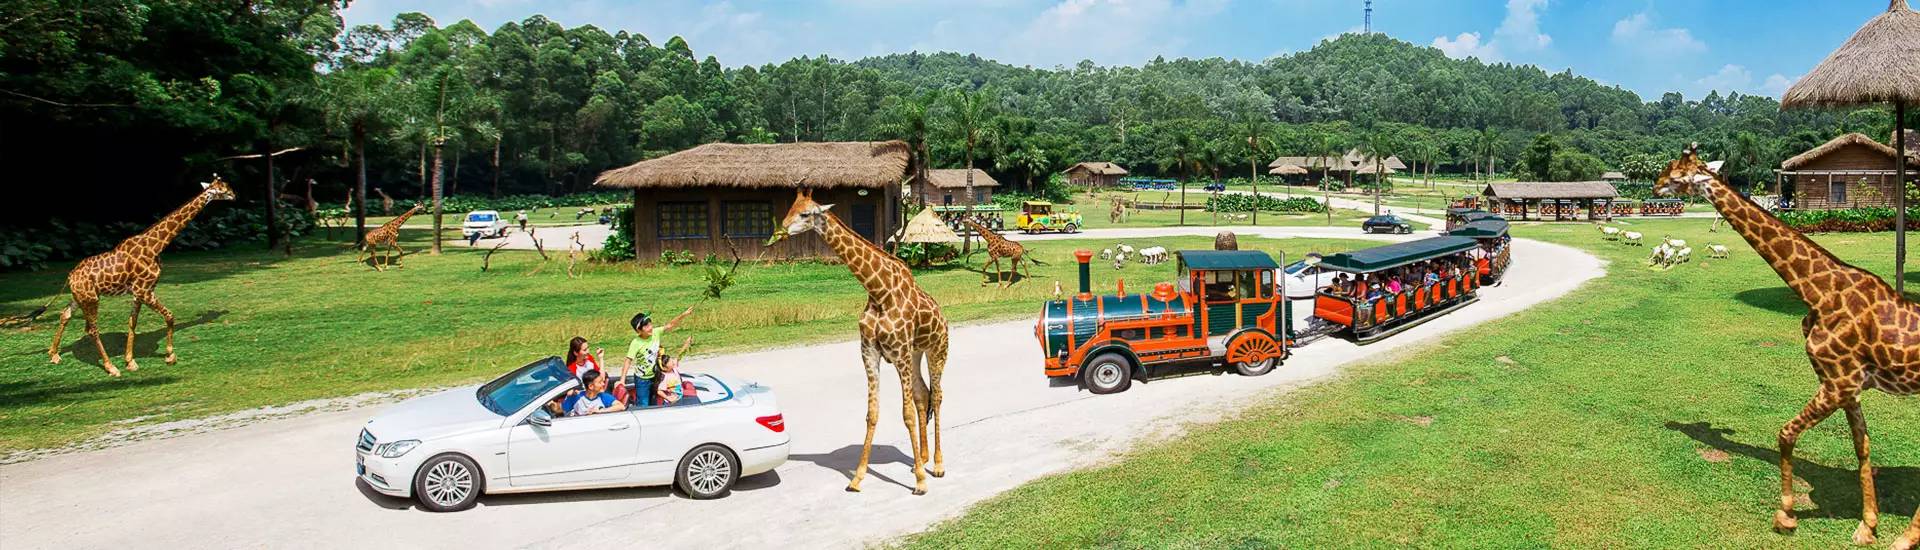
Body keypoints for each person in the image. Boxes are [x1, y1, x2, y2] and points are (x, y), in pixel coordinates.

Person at [623, 306, 695, 407]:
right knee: (643, 403)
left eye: (650, 324)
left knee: (655, 400)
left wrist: (684, 314)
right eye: (646, 326)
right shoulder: (636, 343)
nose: (650, 327)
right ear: (639, 331)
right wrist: (622, 380)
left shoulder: (655, 332)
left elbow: (670, 325)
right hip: (642, 379)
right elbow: (628, 361)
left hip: (656, 375)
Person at [655, 337, 694, 406]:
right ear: (664, 368)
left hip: (679, 398)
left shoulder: (674, 368)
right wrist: (668, 398)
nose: (672, 361)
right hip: (671, 403)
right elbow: (659, 391)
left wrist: (687, 343)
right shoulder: (665, 377)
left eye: (671, 359)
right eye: (669, 361)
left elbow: (679, 355)